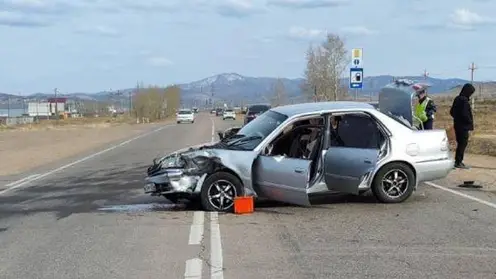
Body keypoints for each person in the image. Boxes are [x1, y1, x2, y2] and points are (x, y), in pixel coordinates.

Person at [450, 83, 475, 169]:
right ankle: (458, 162)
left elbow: (452, 112)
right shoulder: (464, 101)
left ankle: (458, 161)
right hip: (463, 127)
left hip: (457, 125)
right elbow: (465, 114)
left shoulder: (457, 99)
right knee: (462, 144)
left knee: (460, 143)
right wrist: (469, 121)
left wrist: (457, 119)